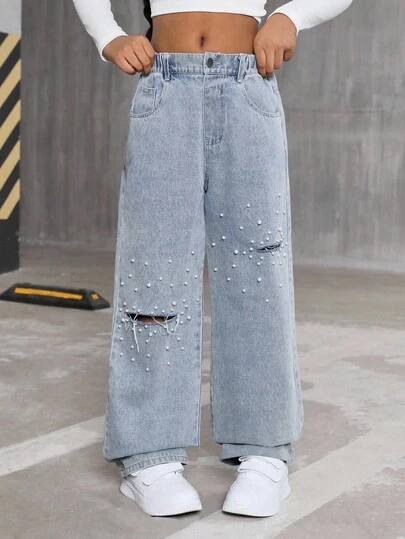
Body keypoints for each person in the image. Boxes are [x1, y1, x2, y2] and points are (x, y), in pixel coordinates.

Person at [73, 0, 354, 518]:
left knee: (257, 275)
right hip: (165, 88)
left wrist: (292, 17)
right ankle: (149, 454)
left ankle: (265, 452)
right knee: (152, 272)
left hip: (247, 86)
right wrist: (106, 34)